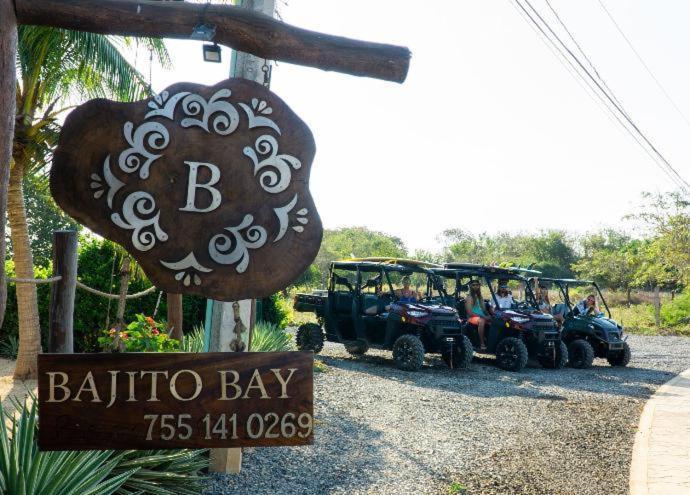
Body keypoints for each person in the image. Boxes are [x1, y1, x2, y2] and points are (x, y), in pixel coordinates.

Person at [465, 278, 491, 351]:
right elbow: (469, 312)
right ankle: (482, 343)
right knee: (482, 321)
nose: (476, 286)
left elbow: (484, 309)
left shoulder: (480, 297)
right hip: (472, 317)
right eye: (473, 285)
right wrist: (483, 316)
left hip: (482, 316)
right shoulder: (469, 297)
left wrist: (489, 315)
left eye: (477, 285)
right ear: (470, 286)